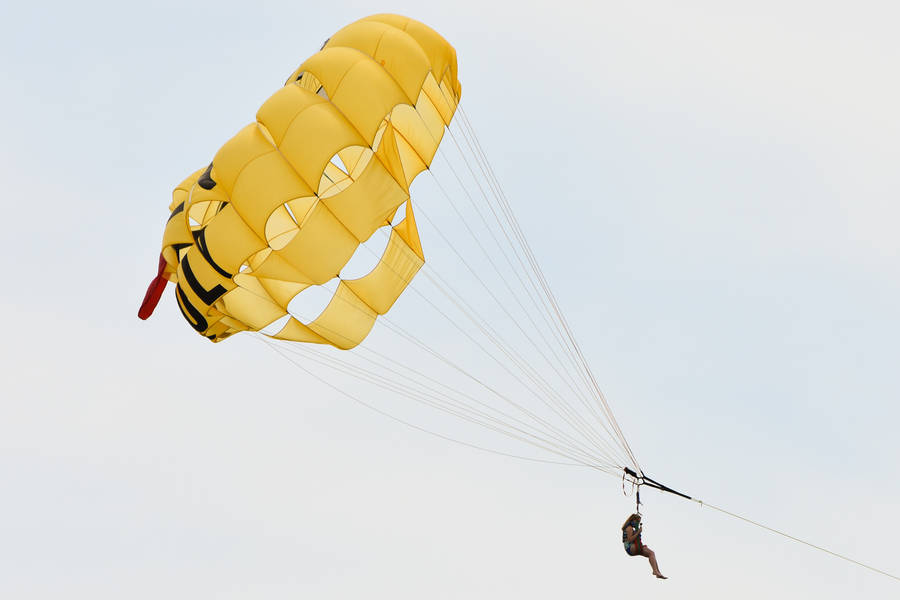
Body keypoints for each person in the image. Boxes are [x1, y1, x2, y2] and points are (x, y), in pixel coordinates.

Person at [622, 513, 667, 579]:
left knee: (651, 553)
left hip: (631, 548)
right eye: (637, 521)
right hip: (630, 547)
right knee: (651, 553)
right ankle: (655, 571)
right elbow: (630, 540)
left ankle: (657, 572)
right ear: (633, 520)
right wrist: (638, 532)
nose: (638, 523)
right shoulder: (629, 528)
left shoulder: (631, 528)